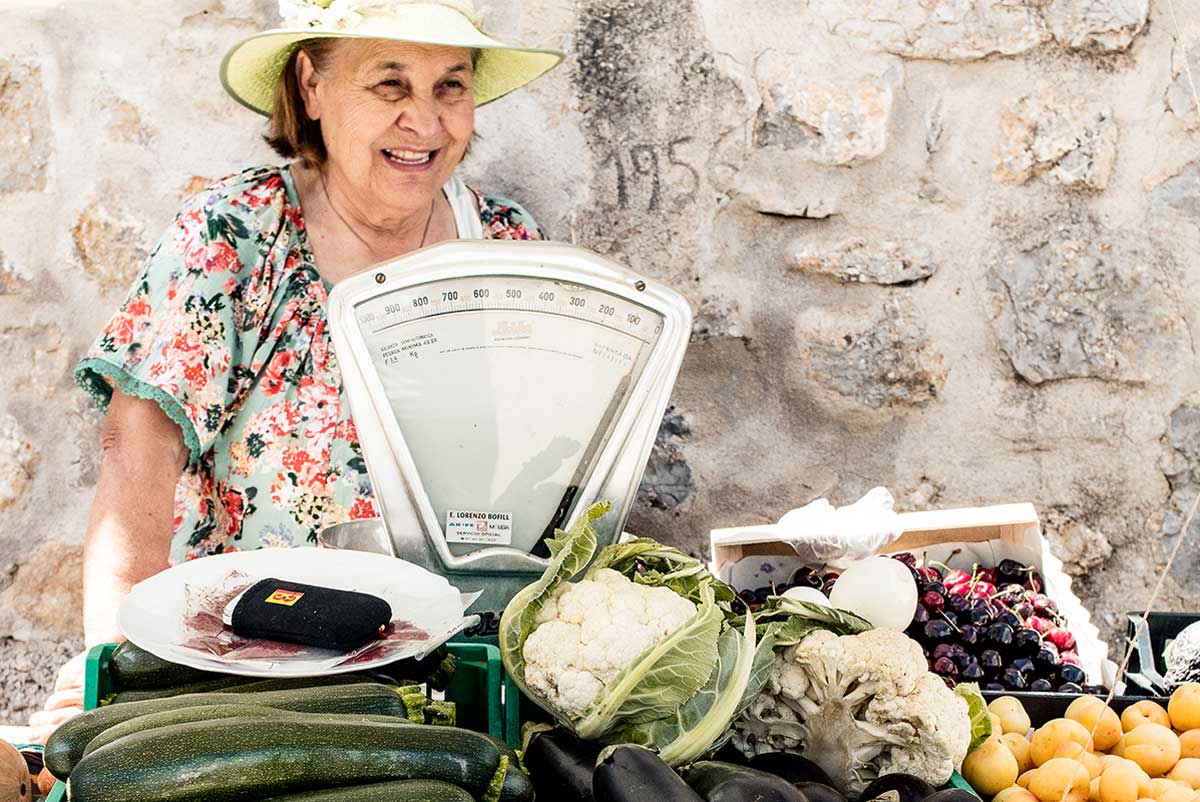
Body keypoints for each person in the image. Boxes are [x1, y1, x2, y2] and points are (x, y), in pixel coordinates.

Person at [27, 0, 562, 740]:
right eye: (390, 85)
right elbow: (137, 458)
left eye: (451, 85)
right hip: (248, 663)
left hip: (452, 670)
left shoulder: (506, 246)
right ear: (310, 85)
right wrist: (116, 666)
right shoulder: (236, 234)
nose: (427, 122)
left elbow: (550, 469)